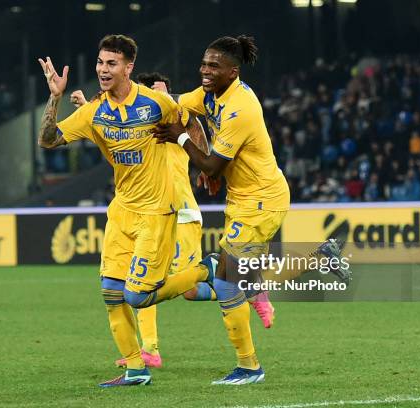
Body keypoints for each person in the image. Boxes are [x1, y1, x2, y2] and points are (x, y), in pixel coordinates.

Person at [154, 35, 350, 385]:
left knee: (228, 281)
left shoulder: (241, 107)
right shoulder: (210, 92)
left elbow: (212, 165)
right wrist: (131, 96)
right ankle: (320, 258)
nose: (205, 71)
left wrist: (181, 138)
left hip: (262, 199)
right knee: (239, 278)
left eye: (213, 66)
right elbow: (175, 103)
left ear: (232, 71)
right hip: (245, 198)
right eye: (203, 63)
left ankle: (249, 367)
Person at [37, 34, 212, 387]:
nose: (103, 69)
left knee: (137, 295)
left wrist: (206, 166)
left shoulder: (155, 103)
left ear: (128, 67)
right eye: (101, 62)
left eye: (111, 63)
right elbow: (48, 139)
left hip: (157, 212)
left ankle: (204, 270)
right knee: (111, 293)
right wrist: (55, 97)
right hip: (121, 212)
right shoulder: (94, 112)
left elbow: (191, 122)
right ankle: (136, 369)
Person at [70, 72, 215, 369]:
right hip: (149, 213)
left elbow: (193, 122)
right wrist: (88, 106)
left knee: (180, 289)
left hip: (182, 211)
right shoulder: (141, 123)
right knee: (142, 282)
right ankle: (149, 349)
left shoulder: (173, 119)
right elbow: (113, 129)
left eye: (161, 92)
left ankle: (233, 283)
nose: (157, 98)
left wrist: (206, 159)